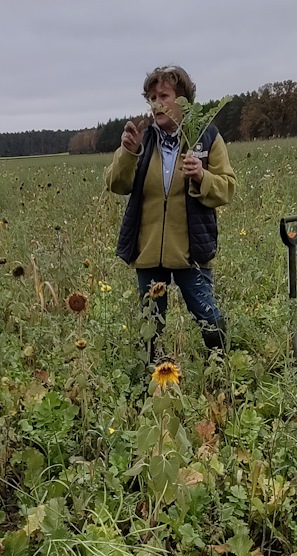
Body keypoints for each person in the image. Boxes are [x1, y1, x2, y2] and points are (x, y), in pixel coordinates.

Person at [105, 65, 236, 364]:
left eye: (163, 95)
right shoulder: (142, 138)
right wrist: (128, 153)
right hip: (149, 251)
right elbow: (115, 183)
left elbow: (227, 188)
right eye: (151, 97)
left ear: (182, 100)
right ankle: (151, 378)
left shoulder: (206, 138)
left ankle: (223, 368)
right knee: (151, 323)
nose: (155, 103)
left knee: (207, 315)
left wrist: (202, 176)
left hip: (191, 250)